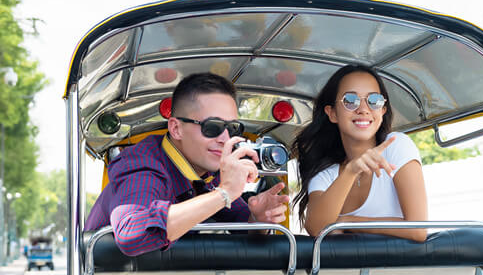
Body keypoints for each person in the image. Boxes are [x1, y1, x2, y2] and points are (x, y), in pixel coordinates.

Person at [86, 73, 290, 256]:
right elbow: (133, 235)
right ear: (176, 129)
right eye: (212, 127)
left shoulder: (210, 175)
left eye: (232, 128)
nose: (225, 138)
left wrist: (258, 216)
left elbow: (241, 223)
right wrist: (223, 193)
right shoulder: (141, 165)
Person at [292, 65, 428, 242]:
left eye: (374, 100)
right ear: (332, 113)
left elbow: (418, 230)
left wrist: (348, 221)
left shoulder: (396, 145)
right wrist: (351, 171)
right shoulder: (326, 174)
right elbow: (317, 228)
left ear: (382, 111)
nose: (364, 109)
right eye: (350, 100)